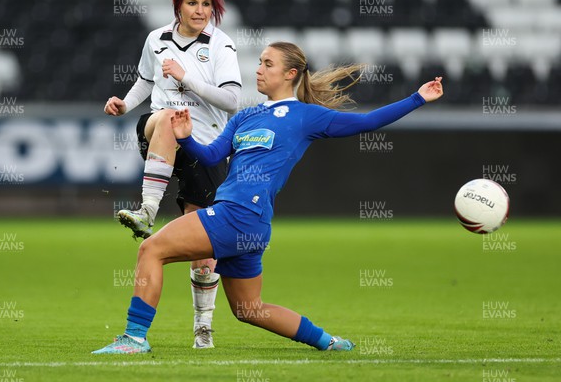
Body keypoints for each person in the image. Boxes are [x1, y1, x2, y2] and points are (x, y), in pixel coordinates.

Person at [93, 42, 443, 354]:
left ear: (291, 74)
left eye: (267, 64)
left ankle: (134, 339)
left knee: (150, 249)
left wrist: (418, 98)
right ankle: (328, 342)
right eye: (259, 62)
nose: (258, 69)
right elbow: (213, 156)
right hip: (249, 224)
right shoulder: (245, 116)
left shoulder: (306, 116)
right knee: (248, 309)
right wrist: (185, 139)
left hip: (238, 215)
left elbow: (366, 123)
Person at [103, 0, 242, 349]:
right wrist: (125, 104)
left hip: (205, 146)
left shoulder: (221, 45)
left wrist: (187, 79)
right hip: (163, 134)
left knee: (202, 251)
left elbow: (231, 100)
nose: (200, 11)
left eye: (207, 4)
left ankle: (203, 327)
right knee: (164, 116)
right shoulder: (156, 39)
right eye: (193, 3)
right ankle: (147, 211)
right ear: (177, 5)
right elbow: (146, 82)